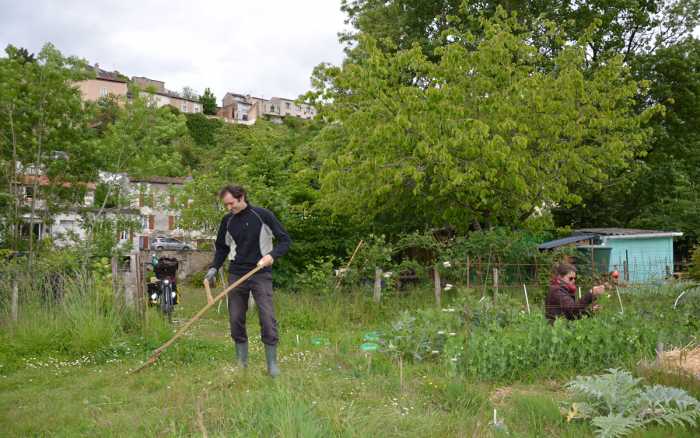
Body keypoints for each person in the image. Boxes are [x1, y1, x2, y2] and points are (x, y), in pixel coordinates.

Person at [204, 185, 291, 376]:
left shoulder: (263, 215)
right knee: (235, 318)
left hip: (261, 274)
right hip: (237, 274)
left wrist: (272, 256)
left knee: (267, 318)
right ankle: (242, 365)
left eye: (231, 203)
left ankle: (272, 366)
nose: (229, 208)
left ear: (241, 197)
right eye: (226, 205)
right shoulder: (227, 221)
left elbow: (285, 240)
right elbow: (221, 248)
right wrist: (213, 267)